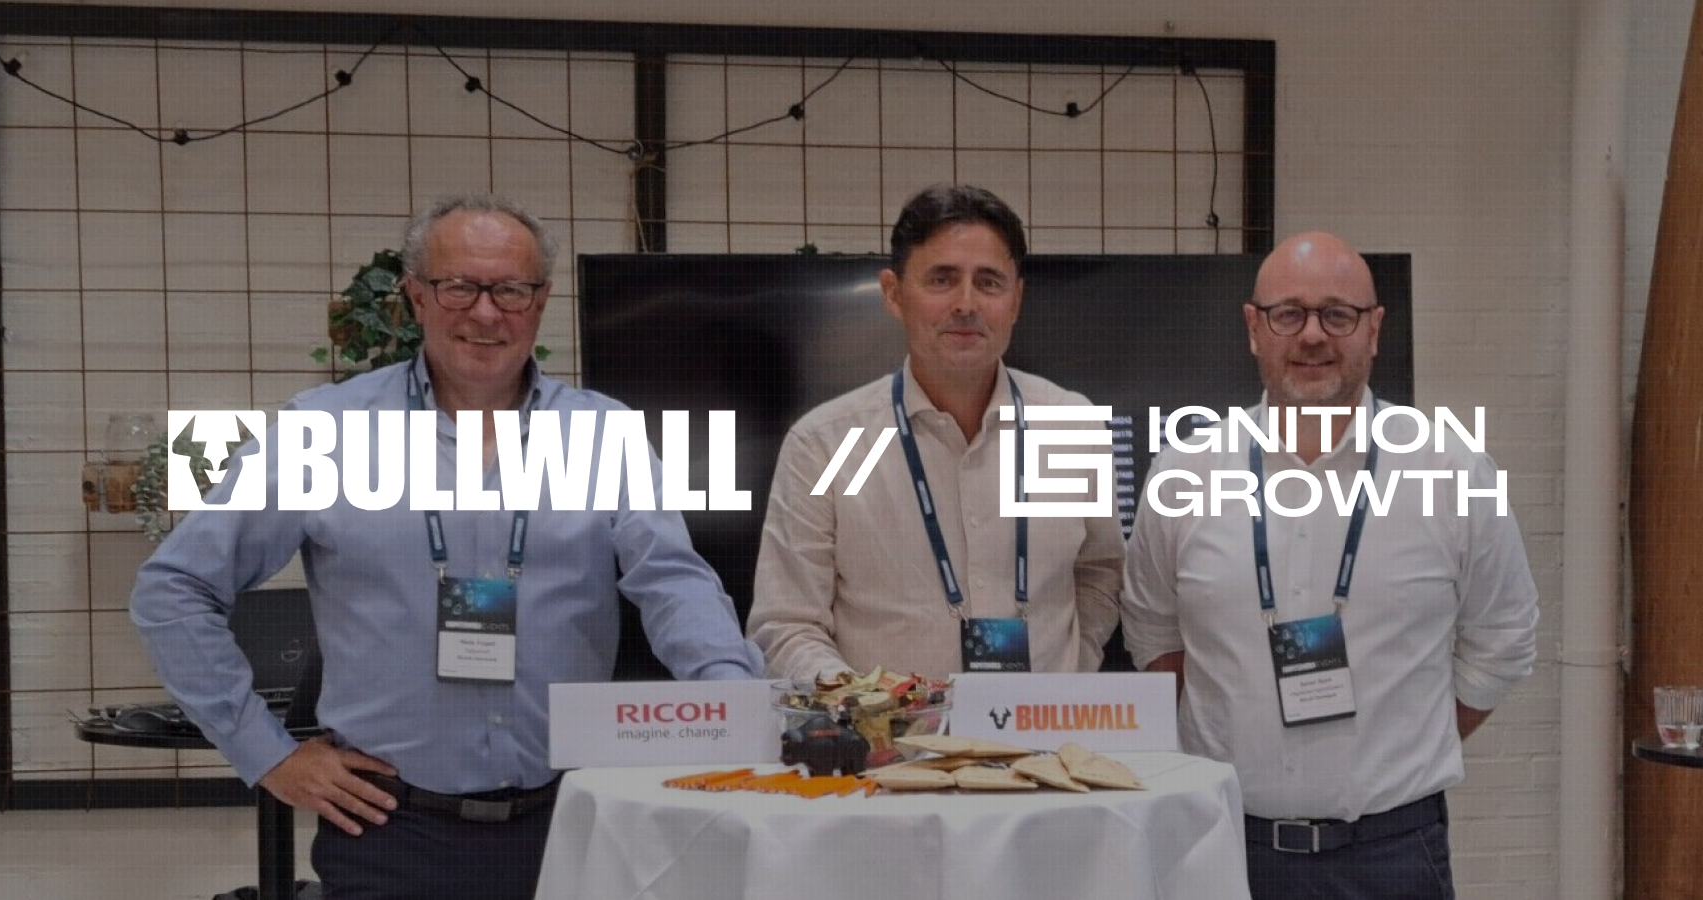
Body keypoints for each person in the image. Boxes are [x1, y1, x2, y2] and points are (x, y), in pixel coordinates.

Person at [130, 194, 764, 900]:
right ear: (416, 296)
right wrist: (265, 753)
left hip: (575, 823)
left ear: (541, 300)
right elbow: (173, 589)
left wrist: (728, 698)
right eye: (459, 286)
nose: (485, 313)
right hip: (392, 832)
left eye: (510, 289)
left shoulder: (601, 434)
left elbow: (672, 581)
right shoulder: (325, 432)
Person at [1121, 232, 1538, 899]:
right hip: (1218, 847)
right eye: (1288, 314)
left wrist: (1406, 738)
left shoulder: (1453, 473)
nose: (1312, 335)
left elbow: (1504, 639)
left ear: (1373, 330)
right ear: (1253, 328)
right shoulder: (1183, 473)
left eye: (1336, 315)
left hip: (1392, 855)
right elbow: (1152, 635)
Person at [748, 184, 1124, 681]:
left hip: (1046, 747)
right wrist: (869, 713)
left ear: (1016, 299)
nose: (966, 304)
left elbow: (1099, 571)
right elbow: (787, 624)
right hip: (890, 753)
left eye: (989, 282)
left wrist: (1072, 666)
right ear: (893, 294)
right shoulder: (825, 444)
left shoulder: (1069, 426)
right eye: (942, 280)